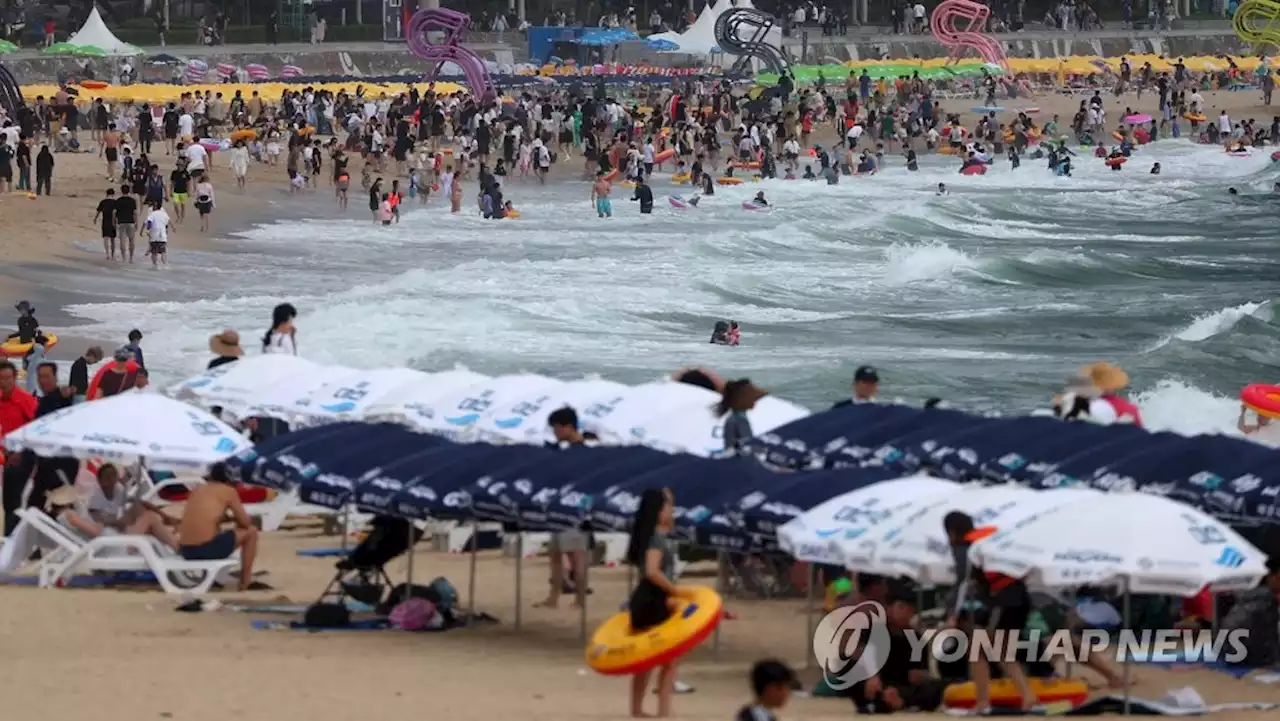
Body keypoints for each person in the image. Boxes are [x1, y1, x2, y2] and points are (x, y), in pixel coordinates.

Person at [944, 511, 1035, 712]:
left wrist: (953, 615)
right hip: (1020, 598)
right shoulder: (990, 540)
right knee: (990, 650)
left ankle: (990, 700)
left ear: (951, 533)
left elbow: (963, 583)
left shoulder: (965, 548)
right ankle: (1017, 697)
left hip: (1006, 600)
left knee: (984, 649)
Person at [625, 487, 690, 718]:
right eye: (669, 505)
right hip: (655, 600)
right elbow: (653, 571)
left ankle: (638, 709)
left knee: (646, 660)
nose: (672, 509)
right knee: (669, 660)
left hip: (646, 599)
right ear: (659, 508)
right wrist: (675, 591)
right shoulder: (656, 537)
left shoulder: (650, 534)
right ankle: (664, 711)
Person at [851, 582, 948, 714]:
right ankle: (884, 702)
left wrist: (921, 676)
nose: (906, 613)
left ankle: (893, 702)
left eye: (910, 610)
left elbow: (923, 672)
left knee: (936, 687)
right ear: (889, 608)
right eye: (901, 607)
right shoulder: (873, 629)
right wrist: (871, 675)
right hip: (877, 682)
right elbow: (860, 653)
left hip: (902, 687)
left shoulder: (916, 638)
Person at [535, 407, 596, 610]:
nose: (554, 433)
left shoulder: (581, 453)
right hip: (560, 509)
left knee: (575, 556)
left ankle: (579, 598)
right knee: (556, 555)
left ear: (568, 427)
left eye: (556, 429)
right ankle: (553, 597)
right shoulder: (568, 451)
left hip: (574, 511)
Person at [177, 462, 259, 591]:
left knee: (218, 531)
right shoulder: (228, 491)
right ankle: (245, 581)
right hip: (205, 550)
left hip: (186, 550)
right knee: (251, 532)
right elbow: (246, 523)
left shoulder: (198, 489)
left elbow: (205, 518)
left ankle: (222, 577)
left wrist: (225, 519)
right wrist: (235, 519)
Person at [0, 360, 38, 535]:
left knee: (15, 502)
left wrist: (20, 452)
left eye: (8, 378)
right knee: (8, 502)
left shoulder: (25, 400)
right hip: (4, 456)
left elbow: (36, 429)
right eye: (1, 378)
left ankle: (12, 540)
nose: (4, 382)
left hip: (22, 457)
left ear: (15, 378)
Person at [716, 379, 767, 452]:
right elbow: (748, 445)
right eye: (752, 398)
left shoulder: (732, 418)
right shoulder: (741, 420)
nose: (754, 401)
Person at [143, 200, 171, 269]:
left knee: (154, 252)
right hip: (162, 236)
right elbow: (167, 224)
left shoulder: (152, 214)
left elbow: (149, 222)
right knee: (163, 251)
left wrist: (148, 229)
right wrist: (166, 231)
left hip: (154, 236)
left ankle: (155, 265)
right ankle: (165, 265)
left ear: (154, 207)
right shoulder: (164, 214)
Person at [94, 188, 118, 260]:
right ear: (113, 194)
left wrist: (95, 218)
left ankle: (107, 254)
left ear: (106, 194)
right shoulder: (115, 202)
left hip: (105, 221)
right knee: (112, 239)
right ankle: (113, 255)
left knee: (105, 238)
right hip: (113, 222)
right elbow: (117, 213)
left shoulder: (103, 202)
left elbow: (98, 211)